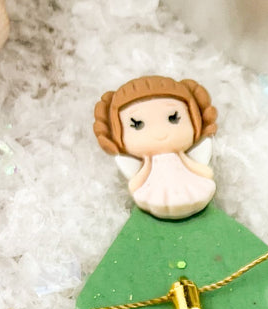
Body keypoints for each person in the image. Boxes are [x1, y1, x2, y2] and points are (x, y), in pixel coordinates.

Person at [93, 75, 218, 220]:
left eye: (173, 118)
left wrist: (205, 173)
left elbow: (200, 170)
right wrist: (135, 185)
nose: (160, 133)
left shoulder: (184, 154)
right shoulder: (142, 163)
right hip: (154, 189)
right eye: (137, 124)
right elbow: (139, 179)